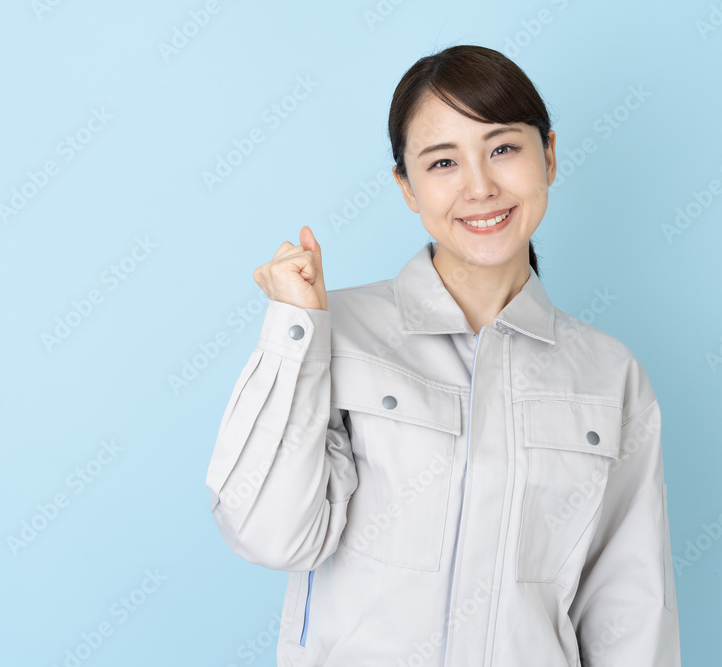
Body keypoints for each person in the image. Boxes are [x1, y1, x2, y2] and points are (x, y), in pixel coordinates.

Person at [205, 44, 680, 666]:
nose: (480, 186)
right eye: (443, 162)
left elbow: (630, 607)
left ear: (550, 157)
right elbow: (270, 535)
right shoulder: (333, 332)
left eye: (504, 148)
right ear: (406, 187)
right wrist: (296, 331)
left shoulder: (610, 375)